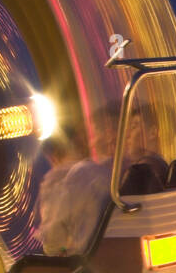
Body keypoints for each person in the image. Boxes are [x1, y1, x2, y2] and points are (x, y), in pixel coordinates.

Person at [37, 99, 161, 256]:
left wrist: (60, 253)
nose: (91, 143)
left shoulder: (82, 175)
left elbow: (54, 240)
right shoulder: (146, 172)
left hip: (96, 269)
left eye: (93, 133)